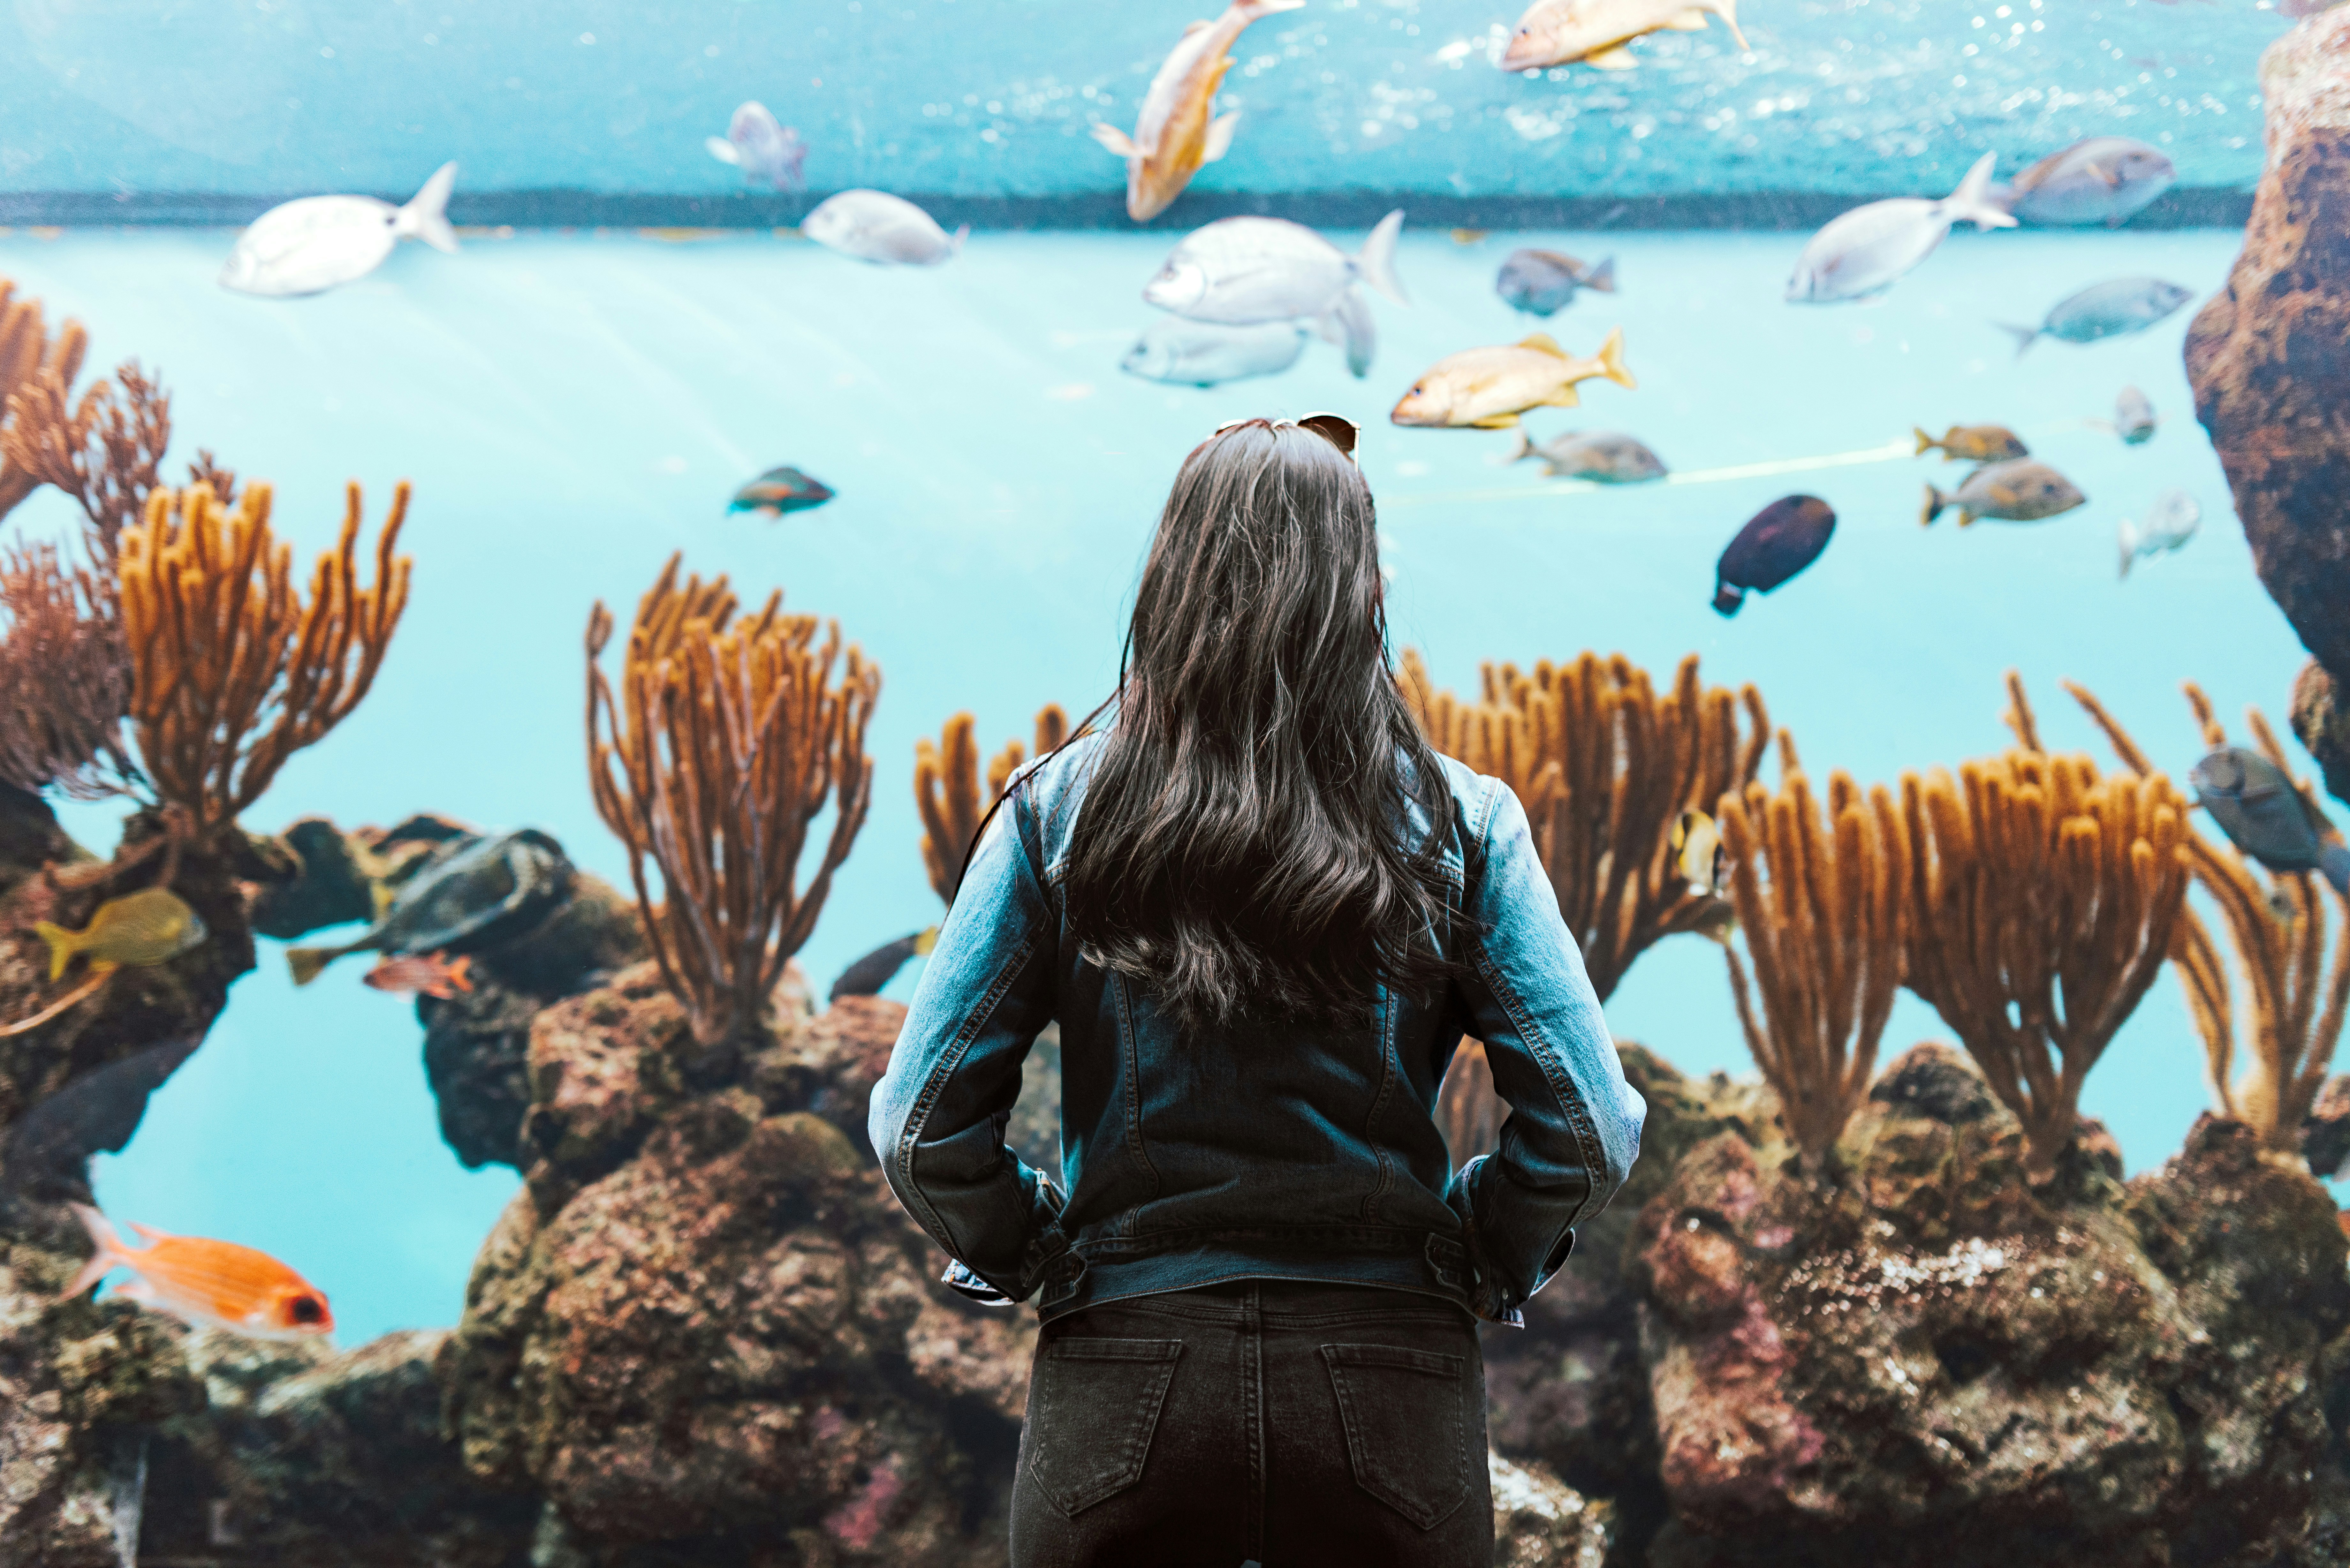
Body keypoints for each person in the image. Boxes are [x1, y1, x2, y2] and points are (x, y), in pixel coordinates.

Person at [869, 414, 1644, 1568]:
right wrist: (1479, 1250)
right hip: (1394, 1376)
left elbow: (922, 1129)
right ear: (1365, 587)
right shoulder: (1465, 820)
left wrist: (1044, 1254)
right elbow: (1590, 1128)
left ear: (1171, 580)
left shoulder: (1054, 811)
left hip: (1124, 1369)